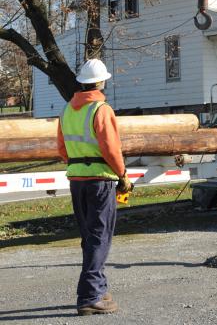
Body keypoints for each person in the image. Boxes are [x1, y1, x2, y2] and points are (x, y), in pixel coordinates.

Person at [57, 58, 132, 316]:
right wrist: (122, 174)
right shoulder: (101, 109)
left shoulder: (67, 110)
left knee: (89, 237)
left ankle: (98, 288)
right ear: (100, 82)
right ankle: (90, 296)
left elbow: (62, 149)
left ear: (81, 82)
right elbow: (111, 149)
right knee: (100, 236)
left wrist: (79, 165)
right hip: (101, 179)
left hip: (76, 180)